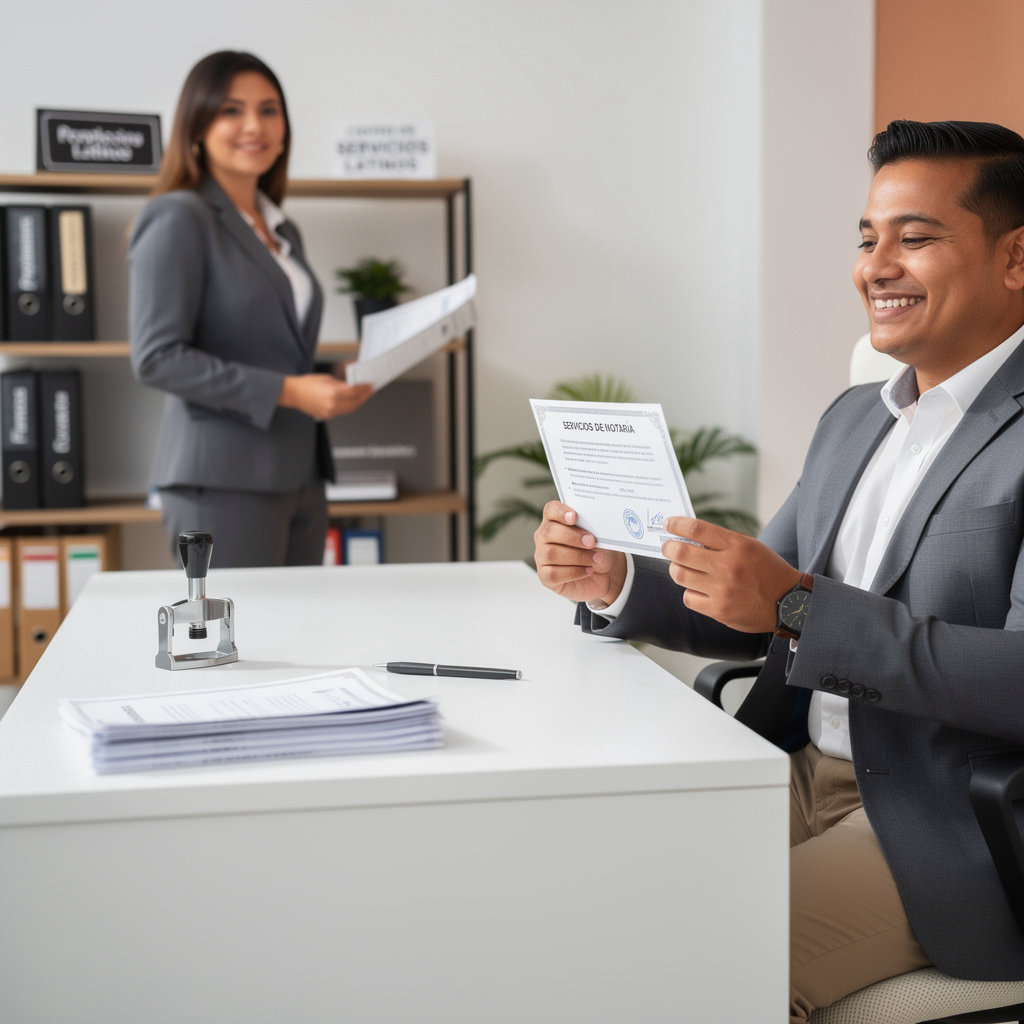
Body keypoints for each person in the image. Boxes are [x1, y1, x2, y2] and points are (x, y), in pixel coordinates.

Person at [533, 119, 1024, 1021]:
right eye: (867, 238)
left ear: (1016, 259)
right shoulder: (855, 417)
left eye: (914, 238)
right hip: (790, 767)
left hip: (949, 819)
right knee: (577, 908)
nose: (876, 265)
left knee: (698, 968)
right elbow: (755, 611)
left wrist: (795, 601)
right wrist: (614, 581)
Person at [129, 50, 373, 567]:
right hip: (222, 481)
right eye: (231, 110)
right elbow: (157, 357)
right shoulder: (178, 216)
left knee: (302, 634)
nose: (253, 126)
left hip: (299, 473)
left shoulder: (280, 229)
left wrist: (332, 377)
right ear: (197, 125)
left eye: (268, 110)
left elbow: (270, 349)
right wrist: (292, 391)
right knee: (239, 643)